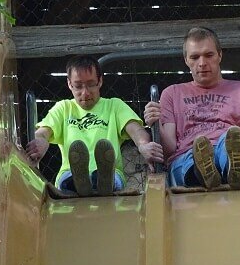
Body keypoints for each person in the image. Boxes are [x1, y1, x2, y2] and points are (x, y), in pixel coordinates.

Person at [143, 26, 240, 190]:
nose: (202, 63)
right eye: (195, 57)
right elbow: (169, 149)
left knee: (229, 141)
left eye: (209, 55)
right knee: (193, 155)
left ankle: (232, 169)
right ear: (186, 60)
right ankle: (202, 172)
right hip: (186, 158)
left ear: (220, 55)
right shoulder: (171, 93)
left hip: (233, 152)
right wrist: (155, 123)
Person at [26, 55, 163, 196]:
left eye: (91, 84)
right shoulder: (63, 108)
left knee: (109, 177)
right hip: (69, 172)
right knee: (69, 178)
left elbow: (136, 130)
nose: (85, 93)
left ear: (100, 81)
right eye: (78, 86)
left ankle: (102, 180)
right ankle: (80, 181)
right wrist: (40, 142)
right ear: (69, 84)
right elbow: (43, 132)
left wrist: (143, 145)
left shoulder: (114, 106)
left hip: (112, 173)